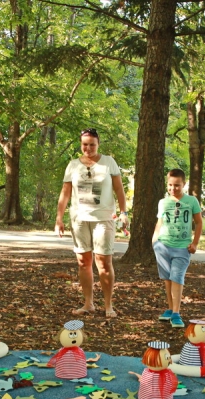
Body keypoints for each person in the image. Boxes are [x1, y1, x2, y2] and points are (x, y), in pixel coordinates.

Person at [55, 128, 128, 318]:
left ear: (98, 144)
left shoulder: (109, 162)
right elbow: (65, 193)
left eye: (92, 145)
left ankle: (108, 305)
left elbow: (119, 189)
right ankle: (88, 304)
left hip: (103, 219)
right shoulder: (73, 165)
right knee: (83, 262)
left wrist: (123, 213)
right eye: (85, 144)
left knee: (103, 262)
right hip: (79, 219)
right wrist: (59, 218)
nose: (88, 148)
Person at [151, 169, 203, 328]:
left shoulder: (191, 201)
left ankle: (176, 313)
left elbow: (199, 222)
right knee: (167, 279)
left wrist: (195, 243)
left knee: (177, 277)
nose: (173, 188)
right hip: (163, 246)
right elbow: (160, 222)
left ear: (184, 184)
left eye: (177, 185)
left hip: (182, 247)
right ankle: (170, 309)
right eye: (170, 185)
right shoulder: (163, 202)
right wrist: (155, 241)